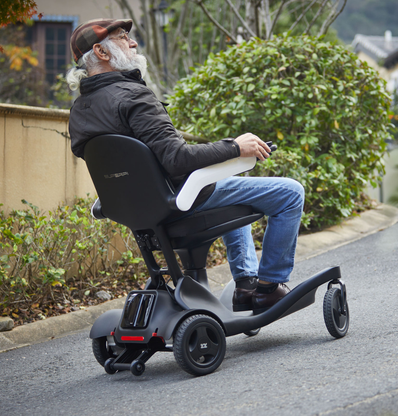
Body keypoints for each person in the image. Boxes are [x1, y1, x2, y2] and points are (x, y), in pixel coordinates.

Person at [67, 19, 305, 314]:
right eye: (123, 37)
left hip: (139, 212)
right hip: (179, 201)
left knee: (228, 180)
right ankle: (269, 288)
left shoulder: (79, 111)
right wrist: (235, 146)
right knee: (290, 193)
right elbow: (177, 159)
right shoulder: (134, 97)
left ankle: (245, 284)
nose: (133, 43)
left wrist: (226, 155)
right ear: (101, 51)